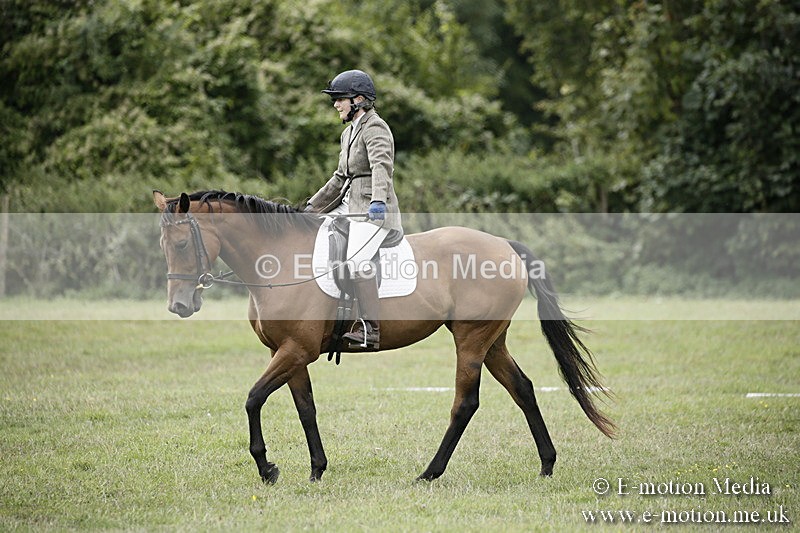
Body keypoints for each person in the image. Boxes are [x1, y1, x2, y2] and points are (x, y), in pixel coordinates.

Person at [305, 69, 403, 349]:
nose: (336, 105)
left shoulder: (375, 127)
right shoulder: (348, 132)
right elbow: (339, 178)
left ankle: (371, 328)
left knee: (358, 261)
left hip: (373, 210)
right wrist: (311, 208)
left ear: (358, 100)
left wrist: (378, 202)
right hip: (348, 205)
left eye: (340, 99)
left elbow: (382, 167)